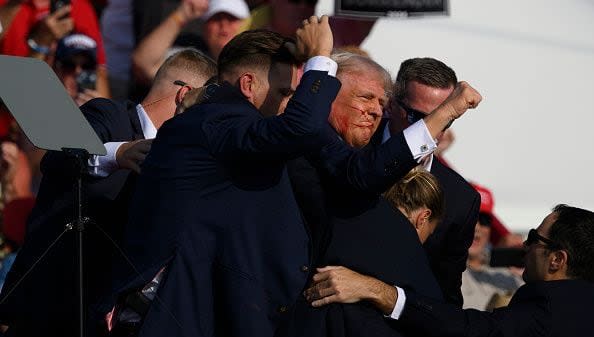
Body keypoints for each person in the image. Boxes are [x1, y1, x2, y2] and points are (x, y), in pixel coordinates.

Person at [98, 18, 341, 337]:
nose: (287, 105)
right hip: (166, 319)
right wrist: (320, 56)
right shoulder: (216, 124)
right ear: (248, 84)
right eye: (283, 93)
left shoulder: (228, 134)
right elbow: (301, 127)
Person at [0, 49, 216, 337]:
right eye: (207, 103)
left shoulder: (181, 160)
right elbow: (59, 157)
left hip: (102, 323)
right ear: (185, 95)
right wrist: (118, 153)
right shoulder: (109, 114)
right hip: (48, 310)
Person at [280, 168, 445, 337]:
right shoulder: (412, 262)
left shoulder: (346, 211)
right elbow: (435, 318)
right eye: (429, 233)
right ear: (423, 217)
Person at [387, 204, 594, 337]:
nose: (525, 246)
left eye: (533, 238)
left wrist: (386, 296)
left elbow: (468, 328)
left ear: (557, 260)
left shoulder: (544, 313)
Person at [373, 57, 481, 306]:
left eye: (443, 118)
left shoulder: (460, 199)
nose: (427, 129)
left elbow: (445, 295)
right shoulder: (351, 149)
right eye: (415, 116)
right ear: (390, 104)